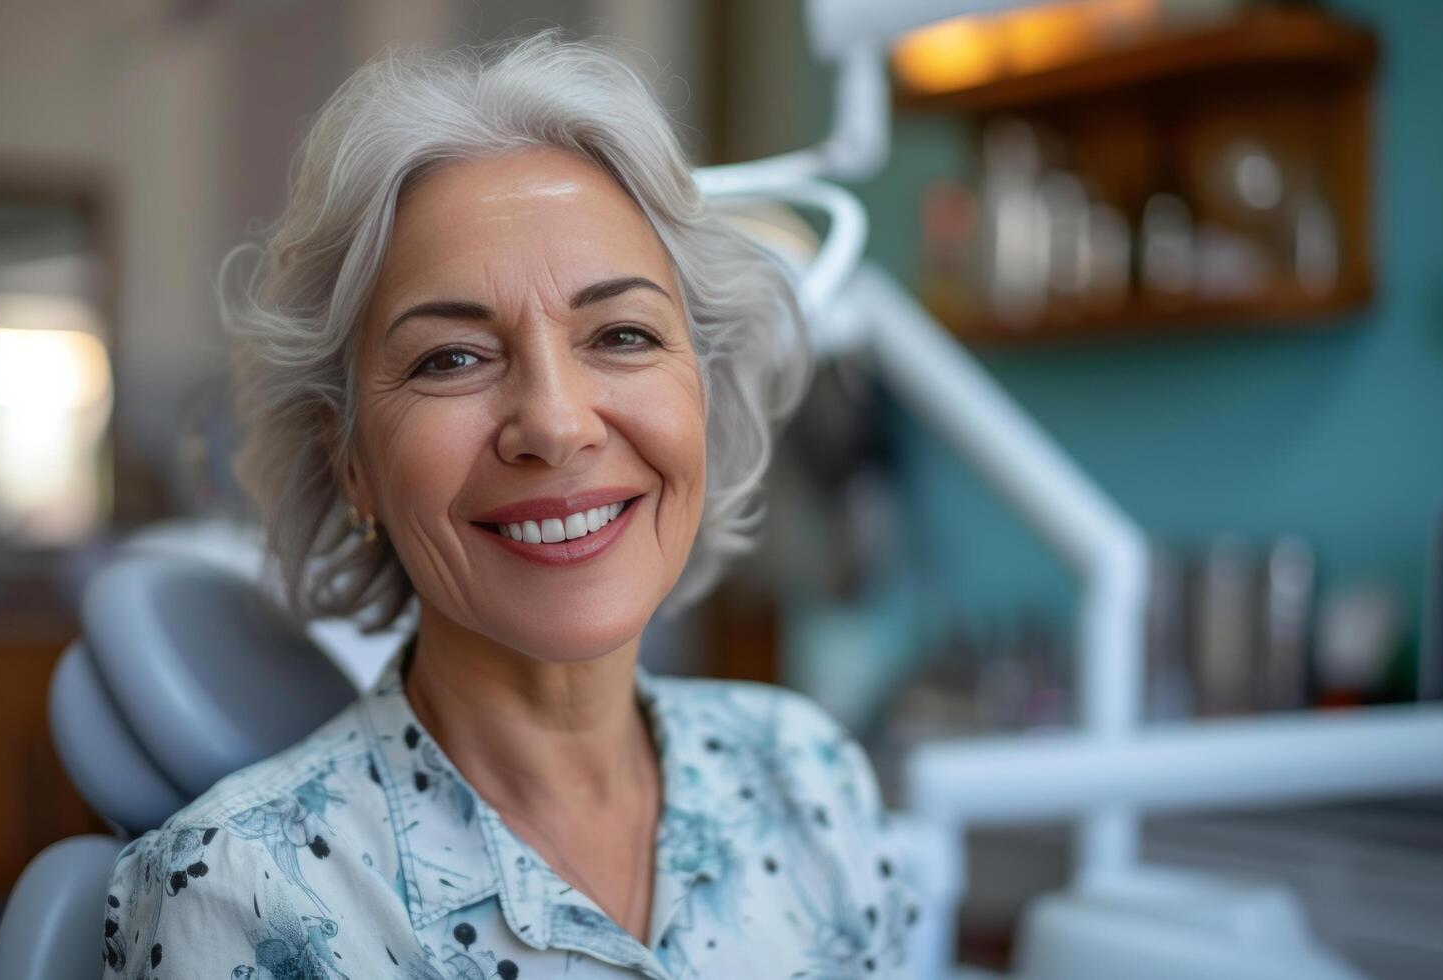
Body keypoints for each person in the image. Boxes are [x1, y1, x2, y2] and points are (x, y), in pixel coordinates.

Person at [101, 30, 916, 980]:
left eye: (619, 334)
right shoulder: (242, 895)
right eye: (451, 358)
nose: (557, 424)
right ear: (351, 461)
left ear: (705, 392)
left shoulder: (808, 779)